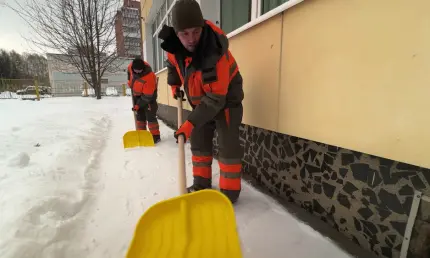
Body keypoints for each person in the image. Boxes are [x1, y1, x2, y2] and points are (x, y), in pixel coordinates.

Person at [158, 0, 244, 203]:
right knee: (199, 140)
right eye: (184, 33)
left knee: (228, 144)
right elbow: (172, 64)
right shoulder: (174, 46)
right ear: (177, 33)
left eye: (195, 31)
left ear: (203, 27)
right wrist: (174, 85)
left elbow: (215, 98)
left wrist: (188, 123)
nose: (191, 39)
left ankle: (229, 193)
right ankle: (201, 184)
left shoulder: (214, 52)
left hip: (226, 101)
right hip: (201, 101)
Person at [127, 57, 161, 144]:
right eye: (136, 70)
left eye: (139, 70)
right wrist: (129, 81)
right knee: (140, 116)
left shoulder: (149, 76)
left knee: (150, 116)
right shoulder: (130, 67)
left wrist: (138, 105)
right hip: (137, 96)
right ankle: (141, 134)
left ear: (143, 68)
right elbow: (129, 72)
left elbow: (146, 97)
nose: (137, 72)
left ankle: (155, 136)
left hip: (149, 98)